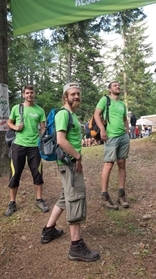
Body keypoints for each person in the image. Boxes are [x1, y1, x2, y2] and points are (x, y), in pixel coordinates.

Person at [40, 83, 100, 262]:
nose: (76, 97)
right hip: (69, 162)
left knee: (65, 196)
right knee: (74, 198)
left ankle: (48, 231)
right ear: (65, 97)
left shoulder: (71, 114)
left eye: (78, 94)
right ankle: (76, 246)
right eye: (73, 94)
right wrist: (78, 157)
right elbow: (60, 140)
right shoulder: (63, 114)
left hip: (69, 162)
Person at [4, 85, 48, 217]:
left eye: (31, 93)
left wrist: (42, 139)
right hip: (18, 146)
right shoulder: (17, 108)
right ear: (23, 95)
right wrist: (16, 128)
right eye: (27, 93)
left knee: (37, 173)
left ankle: (39, 200)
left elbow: (43, 128)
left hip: (35, 146)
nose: (29, 95)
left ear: (34, 94)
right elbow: (9, 123)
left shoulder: (39, 110)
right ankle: (12, 203)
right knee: (15, 174)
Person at [94, 81, 130, 210]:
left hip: (123, 137)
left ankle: (121, 195)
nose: (118, 86)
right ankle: (104, 196)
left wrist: (127, 132)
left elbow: (125, 119)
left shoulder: (121, 104)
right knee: (108, 164)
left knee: (122, 163)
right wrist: (102, 129)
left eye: (119, 85)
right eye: (115, 85)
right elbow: (96, 114)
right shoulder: (105, 100)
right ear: (109, 89)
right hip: (111, 136)